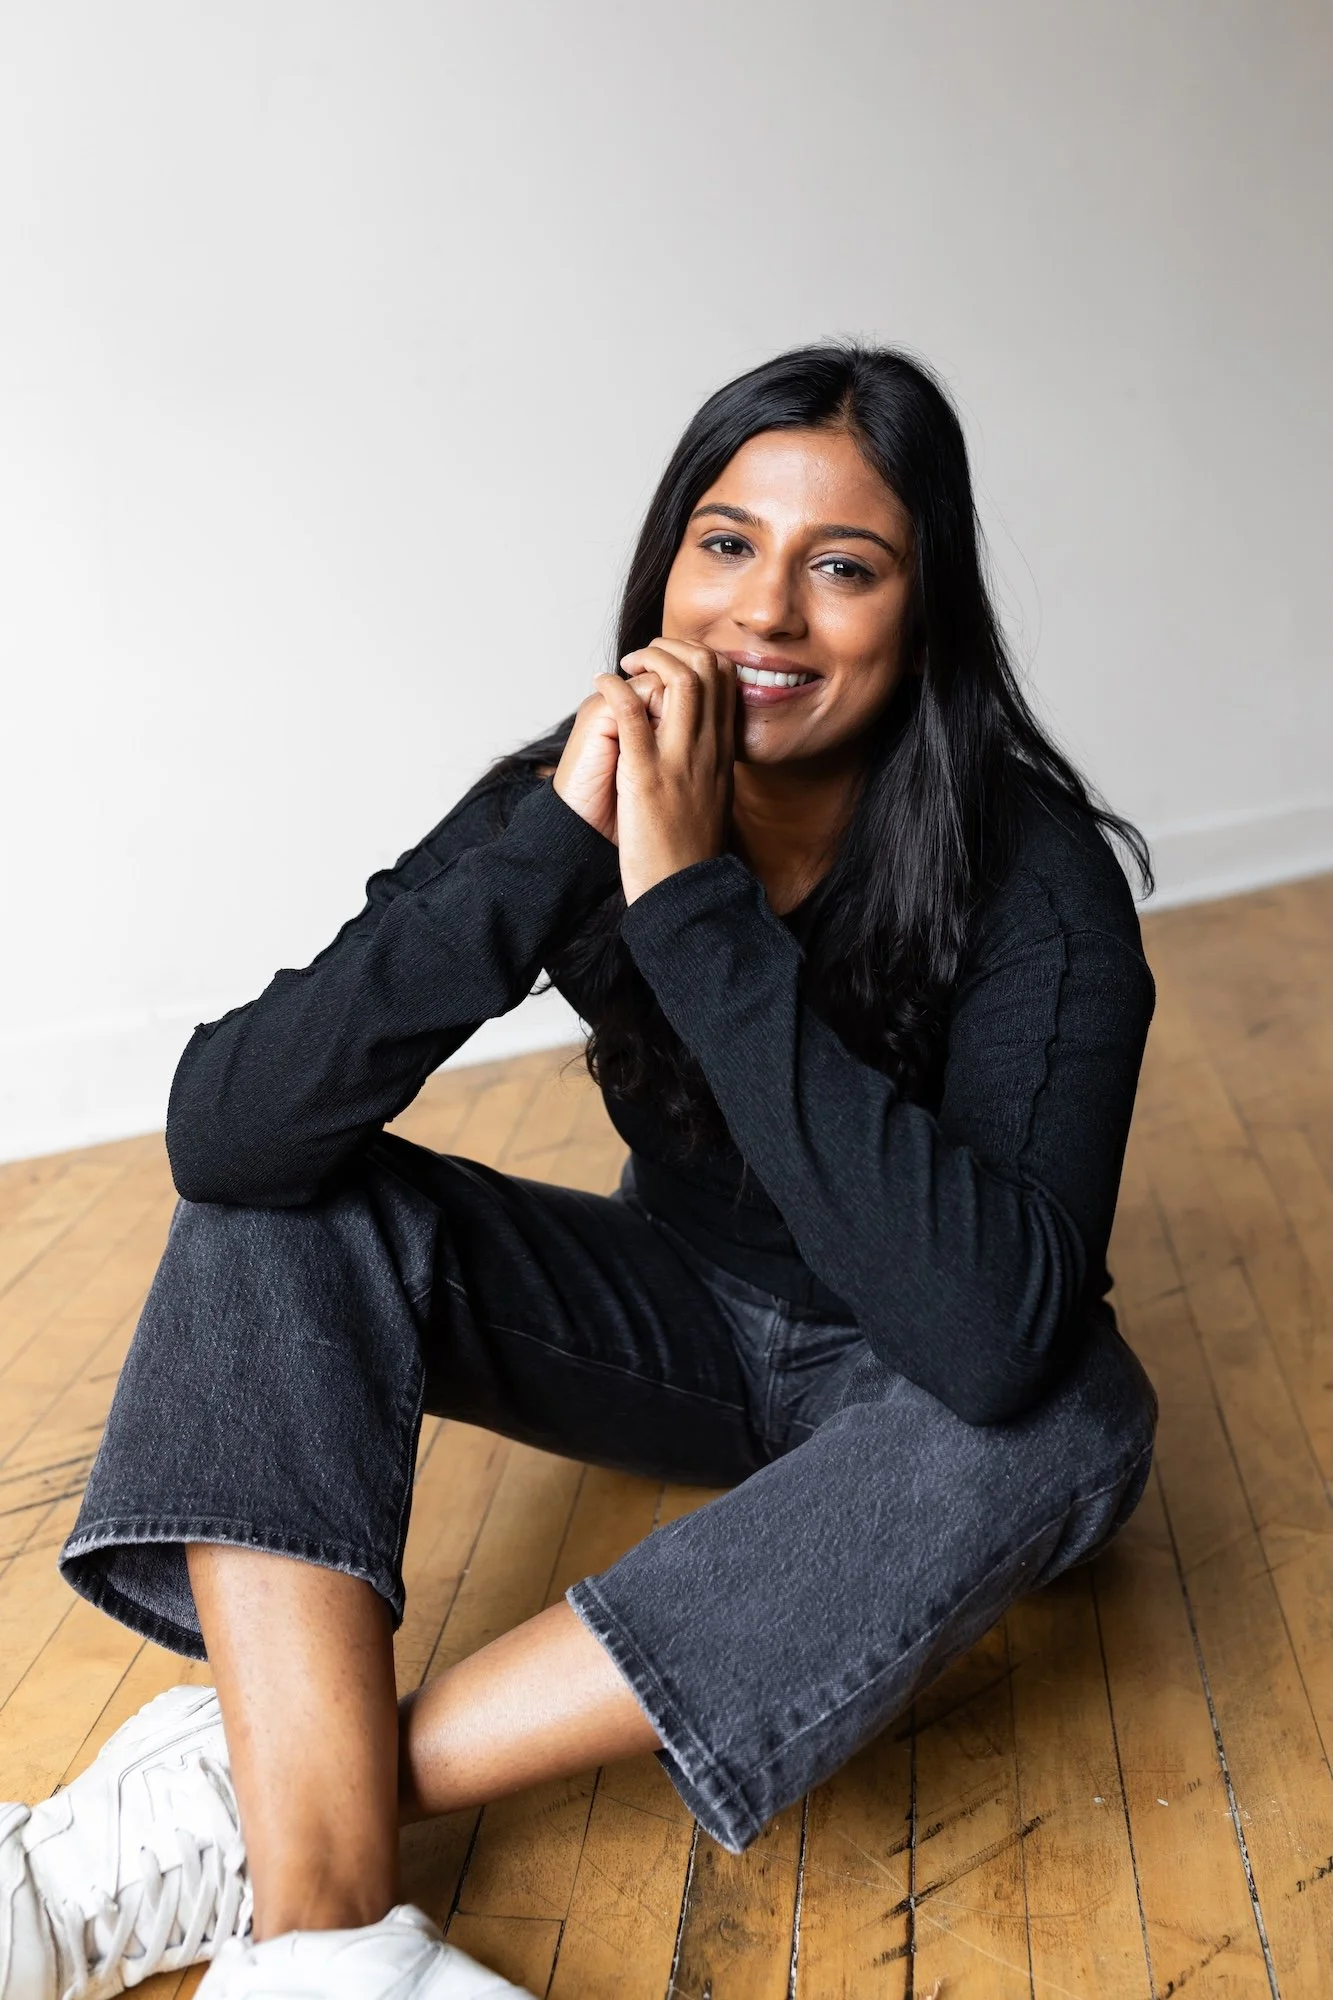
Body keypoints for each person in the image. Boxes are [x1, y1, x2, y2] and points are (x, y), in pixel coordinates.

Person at [1, 343, 1159, 2000]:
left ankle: (240, 1796)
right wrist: (566, 837)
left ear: (927, 614)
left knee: (1073, 1401)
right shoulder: (571, 791)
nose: (766, 614)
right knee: (287, 1198)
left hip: (912, 1381)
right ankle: (329, 1947)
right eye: (726, 543)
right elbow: (231, 1129)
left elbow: (986, 1337)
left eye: (844, 568)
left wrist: (691, 909)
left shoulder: (1036, 877)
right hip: (676, 1324)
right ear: (664, 569)